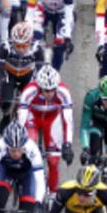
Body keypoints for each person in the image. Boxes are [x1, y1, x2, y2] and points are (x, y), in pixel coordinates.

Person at [16, 65, 73, 193]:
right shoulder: (30, 90)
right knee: (28, 149)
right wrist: (20, 139)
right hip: (33, 118)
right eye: (46, 90)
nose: (49, 93)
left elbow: (67, 119)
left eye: (52, 90)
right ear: (39, 87)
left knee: (53, 161)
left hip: (52, 120)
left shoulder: (63, 92)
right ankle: (25, 183)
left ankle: (53, 193)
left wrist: (67, 143)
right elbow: (22, 116)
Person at [0, 20, 43, 131]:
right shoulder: (5, 46)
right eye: (18, 45)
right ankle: (6, 116)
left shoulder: (37, 48)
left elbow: (40, 69)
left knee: (30, 101)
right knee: (5, 100)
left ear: (30, 41)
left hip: (28, 74)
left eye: (24, 45)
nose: (21, 49)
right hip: (10, 74)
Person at [26, 0, 74, 70]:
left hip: (60, 13)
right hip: (43, 10)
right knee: (35, 39)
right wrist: (28, 34)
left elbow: (68, 15)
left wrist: (67, 36)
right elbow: (30, 13)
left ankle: (56, 72)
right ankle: (37, 68)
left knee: (60, 43)